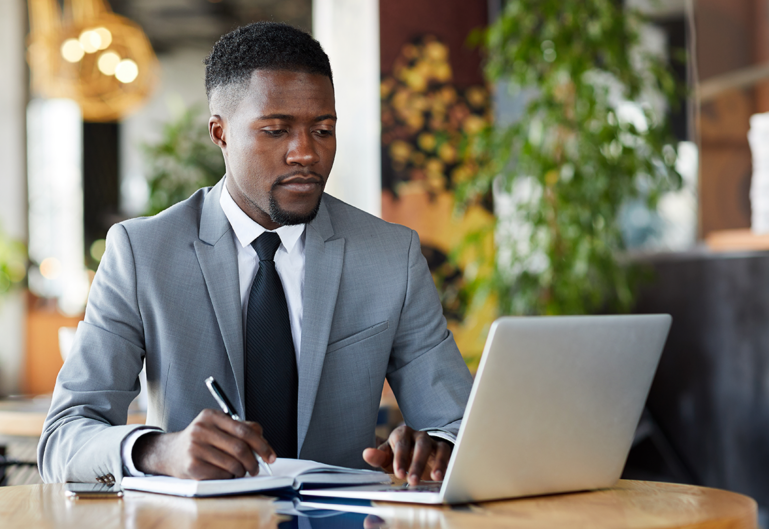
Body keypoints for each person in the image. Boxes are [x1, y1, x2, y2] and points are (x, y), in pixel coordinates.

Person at [38, 21, 473, 487]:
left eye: (323, 130)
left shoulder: (392, 256)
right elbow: (64, 438)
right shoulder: (142, 254)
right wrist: (159, 450)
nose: (305, 153)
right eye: (275, 131)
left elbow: (461, 425)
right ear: (220, 133)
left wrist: (439, 446)